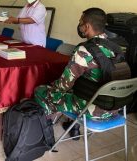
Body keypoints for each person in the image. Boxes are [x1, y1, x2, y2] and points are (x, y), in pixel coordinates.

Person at [34, 8, 124, 139]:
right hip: (116, 106)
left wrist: (50, 87)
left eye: (81, 22)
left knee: (41, 90)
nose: (79, 26)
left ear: (87, 26)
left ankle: (46, 130)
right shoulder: (117, 47)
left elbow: (63, 85)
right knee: (78, 88)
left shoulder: (84, 50)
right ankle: (74, 127)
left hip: (93, 109)